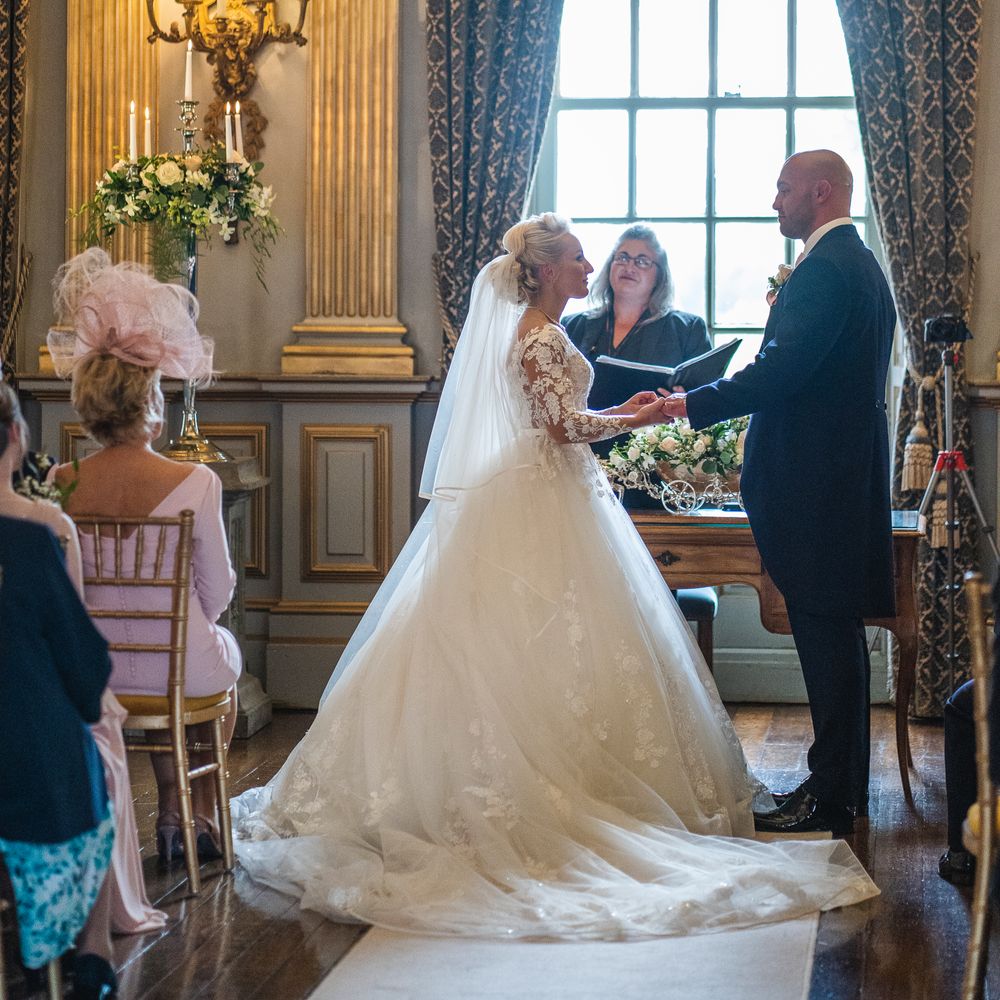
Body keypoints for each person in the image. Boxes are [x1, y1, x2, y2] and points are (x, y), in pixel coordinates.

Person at [230, 212, 877, 940]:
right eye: (576, 257)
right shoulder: (538, 335)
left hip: (554, 491)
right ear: (543, 270)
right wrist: (636, 419)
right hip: (540, 495)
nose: (589, 266)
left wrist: (622, 411)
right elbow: (562, 428)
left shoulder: (543, 329)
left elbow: (563, 418)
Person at [660, 150, 896, 836]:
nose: (774, 202)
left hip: (815, 484)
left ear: (820, 192)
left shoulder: (825, 269)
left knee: (826, 639)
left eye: (784, 189)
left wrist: (688, 404)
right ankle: (841, 789)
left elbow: (780, 372)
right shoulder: (855, 263)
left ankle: (832, 797)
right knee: (835, 637)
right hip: (836, 477)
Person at [47, 248, 242, 865]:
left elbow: (61, 593)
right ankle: (192, 812)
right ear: (150, 402)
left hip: (95, 671)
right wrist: (188, 623)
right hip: (179, 668)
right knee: (215, 664)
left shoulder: (59, 482)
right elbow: (218, 592)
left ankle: (172, 816)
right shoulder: (197, 482)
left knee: (182, 660)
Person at [0, 381, 166, 936]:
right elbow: (78, 656)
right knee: (101, 746)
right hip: (23, 743)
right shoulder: (42, 532)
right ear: (17, 436)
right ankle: (90, 944)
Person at [0, 515, 117, 1000]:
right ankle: (91, 950)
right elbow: (83, 659)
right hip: (25, 772)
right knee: (91, 768)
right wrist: (87, 707)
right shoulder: (25, 542)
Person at [565, 225, 711, 507]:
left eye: (642, 261)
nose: (629, 266)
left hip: (654, 465)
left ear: (660, 274)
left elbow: (705, 397)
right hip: (585, 456)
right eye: (622, 257)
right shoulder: (574, 325)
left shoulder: (687, 329)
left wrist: (684, 400)